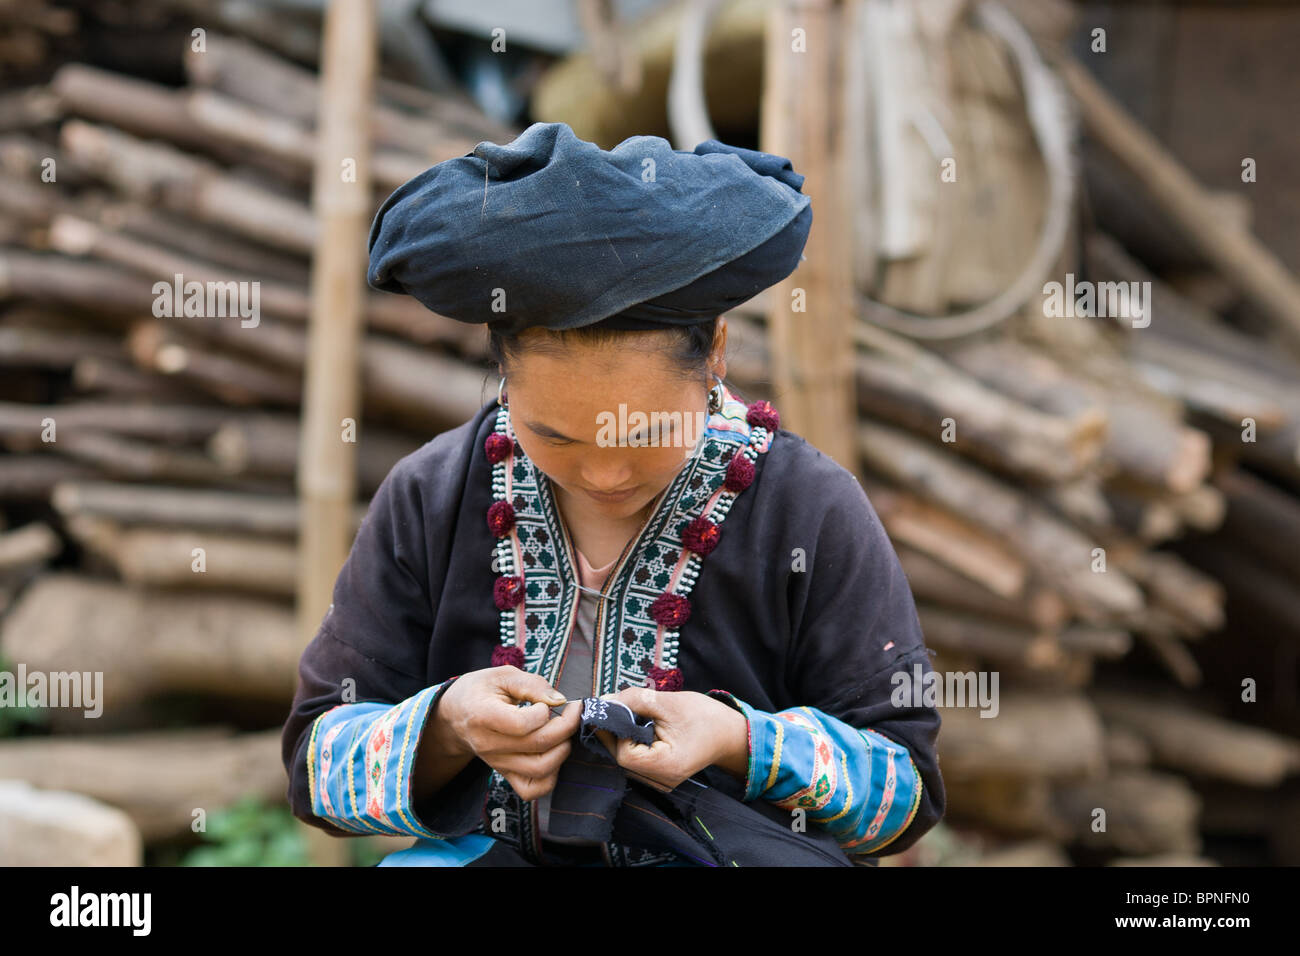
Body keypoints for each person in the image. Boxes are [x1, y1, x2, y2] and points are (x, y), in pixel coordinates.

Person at [280, 122, 945, 866]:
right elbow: (316, 762)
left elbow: (902, 793)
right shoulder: (430, 497)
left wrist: (741, 742)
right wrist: (445, 726)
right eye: (555, 436)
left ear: (716, 353)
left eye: (642, 434)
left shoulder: (810, 510)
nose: (603, 475)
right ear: (502, 374)